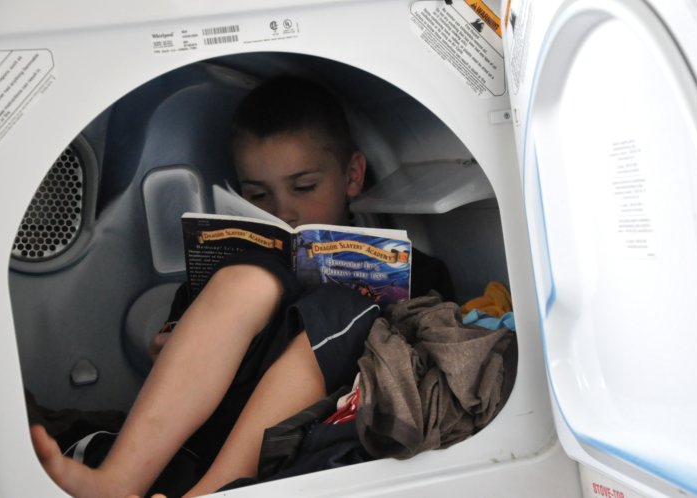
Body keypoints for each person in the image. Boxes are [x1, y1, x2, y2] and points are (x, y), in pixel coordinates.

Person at [30, 75, 454, 498]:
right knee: (249, 278)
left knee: (348, 307)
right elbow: (185, 326)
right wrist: (170, 343)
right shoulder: (242, 268)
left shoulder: (418, 269)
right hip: (221, 422)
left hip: (317, 419)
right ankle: (119, 480)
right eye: (258, 196)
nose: (284, 211)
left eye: (304, 187)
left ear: (353, 175)